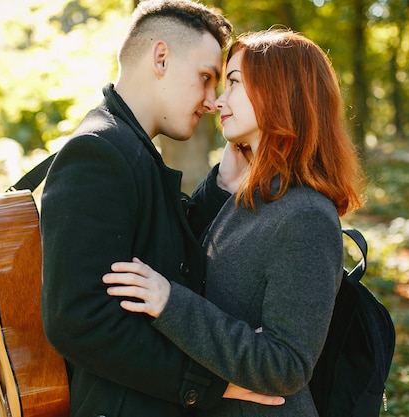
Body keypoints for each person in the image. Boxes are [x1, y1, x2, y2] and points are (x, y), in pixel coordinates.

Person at [103, 29, 365, 416]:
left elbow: (285, 366)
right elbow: (192, 264)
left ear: (281, 92)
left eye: (234, 83)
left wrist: (171, 303)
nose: (218, 101)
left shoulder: (307, 216)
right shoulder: (249, 196)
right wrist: (222, 185)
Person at [40, 1, 284, 416]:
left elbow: (167, 252)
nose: (212, 101)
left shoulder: (128, 148)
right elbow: (78, 320)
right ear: (161, 57)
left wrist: (221, 186)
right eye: (206, 78)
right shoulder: (97, 153)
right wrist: (210, 383)